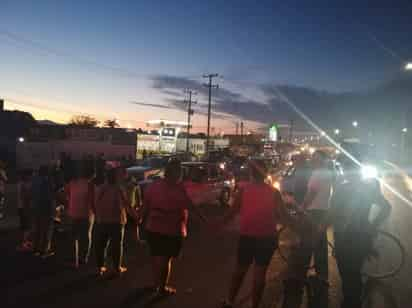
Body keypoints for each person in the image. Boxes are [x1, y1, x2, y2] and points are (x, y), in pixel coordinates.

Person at [326, 156, 391, 308]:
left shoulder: (341, 188)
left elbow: (331, 214)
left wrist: (319, 227)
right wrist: (373, 225)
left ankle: (351, 301)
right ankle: (353, 299)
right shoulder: (370, 187)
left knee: (348, 274)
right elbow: (386, 207)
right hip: (362, 237)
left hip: (345, 238)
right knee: (354, 272)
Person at [220, 159, 286, 308]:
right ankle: (254, 305)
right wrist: (301, 226)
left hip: (247, 237)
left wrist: (216, 224)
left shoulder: (244, 190)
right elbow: (284, 216)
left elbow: (231, 213)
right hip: (267, 237)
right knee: (259, 274)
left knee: (240, 271)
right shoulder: (274, 193)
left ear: (251, 173)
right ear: (266, 174)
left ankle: (230, 300)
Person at [140, 159, 205, 296]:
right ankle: (162, 288)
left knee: (156, 257)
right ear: (177, 174)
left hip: (153, 228)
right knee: (165, 259)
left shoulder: (153, 186)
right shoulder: (179, 189)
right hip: (172, 230)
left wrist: (139, 219)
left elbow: (145, 207)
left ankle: (155, 284)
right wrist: (205, 220)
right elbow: (191, 207)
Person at [94, 167, 138, 276]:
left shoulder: (100, 188)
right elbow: (127, 204)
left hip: (102, 221)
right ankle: (116, 268)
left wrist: (98, 216)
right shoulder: (119, 189)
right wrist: (136, 216)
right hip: (117, 221)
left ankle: (100, 267)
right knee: (116, 246)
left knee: (101, 245)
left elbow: (95, 204)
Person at [301, 150, 333, 280]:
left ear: (322, 160)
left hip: (314, 211)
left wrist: (302, 207)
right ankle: (322, 272)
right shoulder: (327, 172)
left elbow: (311, 193)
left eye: (316, 158)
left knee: (309, 242)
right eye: (313, 157)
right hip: (323, 210)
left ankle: (304, 272)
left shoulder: (317, 174)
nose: (313, 159)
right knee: (320, 244)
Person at [66, 161, 95, 268]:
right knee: (86, 237)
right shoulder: (90, 185)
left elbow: (65, 193)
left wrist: (69, 202)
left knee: (74, 237)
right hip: (86, 214)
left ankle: (75, 258)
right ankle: (84, 258)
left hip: (73, 213)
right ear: (91, 175)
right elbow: (92, 201)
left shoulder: (72, 182)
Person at [32, 165, 56, 258]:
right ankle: (44, 250)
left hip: (36, 208)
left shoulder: (35, 181)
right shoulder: (48, 181)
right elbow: (50, 196)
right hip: (46, 209)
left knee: (37, 229)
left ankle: (35, 249)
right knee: (46, 230)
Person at [16, 169, 33, 251]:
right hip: (24, 207)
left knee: (26, 226)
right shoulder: (22, 184)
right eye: (30, 175)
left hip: (23, 207)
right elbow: (24, 196)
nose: (31, 177)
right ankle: (24, 243)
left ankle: (26, 243)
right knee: (26, 226)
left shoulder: (21, 183)